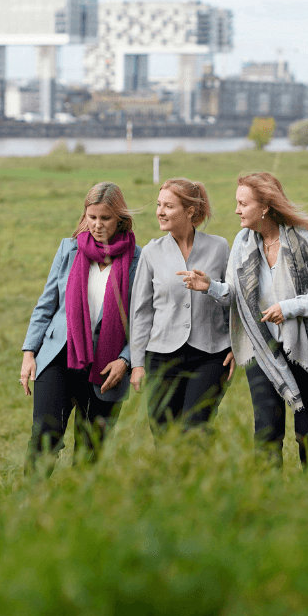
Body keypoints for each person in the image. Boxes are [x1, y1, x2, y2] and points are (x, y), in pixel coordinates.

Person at [182, 172, 308, 468]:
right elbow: (235, 294)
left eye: (243, 204)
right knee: (266, 431)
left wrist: (289, 308)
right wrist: (210, 287)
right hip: (261, 348)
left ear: (265, 207)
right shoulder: (242, 243)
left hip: (304, 348)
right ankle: (269, 492)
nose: (236, 210)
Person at [21, 182, 140, 472]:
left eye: (105, 218)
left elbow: (142, 319)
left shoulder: (138, 258)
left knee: (91, 451)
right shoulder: (69, 249)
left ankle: (78, 500)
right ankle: (30, 497)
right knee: (44, 439)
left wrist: (126, 360)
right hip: (59, 356)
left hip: (108, 365)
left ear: (120, 218)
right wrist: (29, 352)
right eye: (92, 217)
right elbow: (46, 304)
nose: (97, 225)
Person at [129, 178, 233, 435]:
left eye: (169, 206)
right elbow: (141, 312)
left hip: (210, 355)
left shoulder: (219, 247)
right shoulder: (151, 252)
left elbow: (234, 300)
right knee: (164, 435)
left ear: (190, 211)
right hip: (161, 357)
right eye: (159, 205)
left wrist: (235, 345)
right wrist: (137, 363)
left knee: (195, 430)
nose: (160, 212)